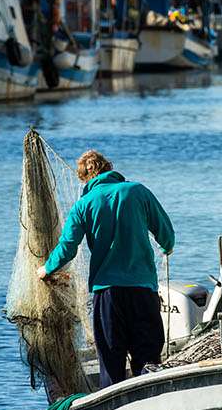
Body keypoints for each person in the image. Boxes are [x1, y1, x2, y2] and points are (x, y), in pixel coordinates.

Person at [39, 150, 175, 388]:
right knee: (149, 358)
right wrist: (167, 246)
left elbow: (67, 248)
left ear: (84, 178)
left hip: (107, 294)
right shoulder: (137, 191)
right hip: (142, 289)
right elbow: (166, 233)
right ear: (110, 168)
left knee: (111, 360)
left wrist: (46, 270)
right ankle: (151, 403)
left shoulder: (83, 205)